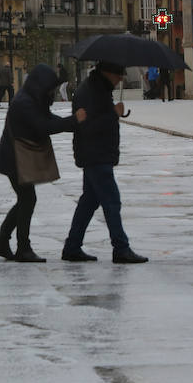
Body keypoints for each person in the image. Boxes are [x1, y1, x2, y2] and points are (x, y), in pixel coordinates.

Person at [0, 63, 82, 262]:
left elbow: (48, 118)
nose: (52, 93)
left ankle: (2, 242)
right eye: (50, 89)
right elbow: (44, 125)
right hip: (14, 159)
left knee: (26, 200)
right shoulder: (25, 103)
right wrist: (73, 121)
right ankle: (22, 248)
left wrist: (71, 122)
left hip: (14, 158)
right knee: (27, 199)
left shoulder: (32, 99)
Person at [61, 62, 148, 264]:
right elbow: (88, 127)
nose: (121, 79)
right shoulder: (91, 91)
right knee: (111, 201)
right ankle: (121, 248)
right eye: (119, 74)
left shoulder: (97, 88)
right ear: (107, 73)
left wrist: (112, 113)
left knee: (89, 202)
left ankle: (72, 246)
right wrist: (114, 114)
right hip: (96, 155)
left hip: (95, 153)